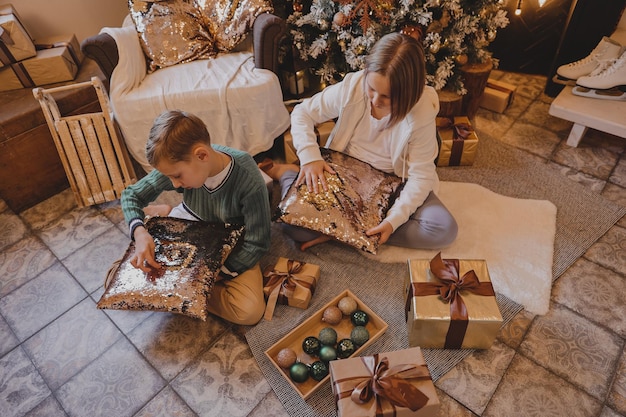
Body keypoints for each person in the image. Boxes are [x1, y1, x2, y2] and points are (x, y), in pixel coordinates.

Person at [263, 32, 458, 251]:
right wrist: (309, 157)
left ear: (408, 95)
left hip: (392, 185)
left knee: (443, 229)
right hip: (343, 175)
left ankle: (342, 231)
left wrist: (393, 221)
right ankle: (289, 173)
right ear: (366, 73)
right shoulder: (353, 87)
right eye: (372, 89)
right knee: (294, 228)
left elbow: (420, 176)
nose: (375, 100)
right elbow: (302, 113)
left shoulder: (421, 112)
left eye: (387, 97)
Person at [121, 110, 271, 325]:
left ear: (202, 155)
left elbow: (258, 243)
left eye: (177, 176)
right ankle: (179, 287)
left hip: (230, 243)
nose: (173, 185)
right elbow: (131, 195)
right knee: (121, 278)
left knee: (249, 311)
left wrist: (210, 276)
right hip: (190, 230)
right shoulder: (180, 162)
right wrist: (140, 232)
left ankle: (177, 292)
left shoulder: (248, 180)